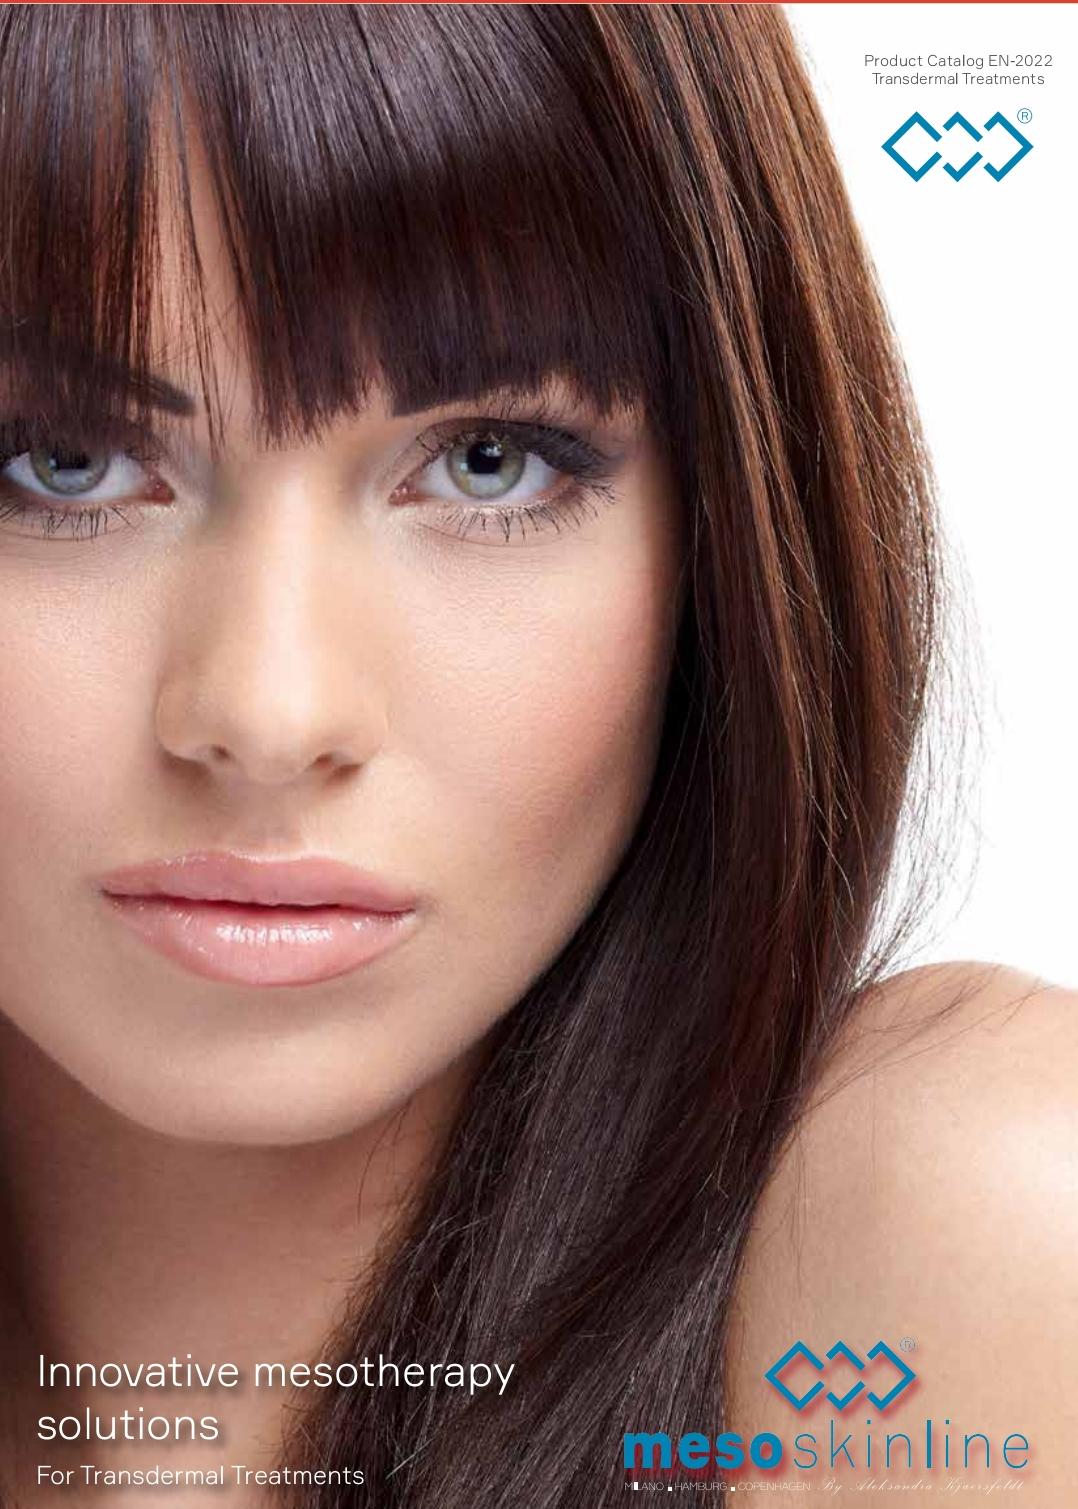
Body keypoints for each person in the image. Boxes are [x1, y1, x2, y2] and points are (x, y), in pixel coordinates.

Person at [0, 6, 1073, 1507]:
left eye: (485, 462)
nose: (271, 712)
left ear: (721, 536)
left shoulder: (968, 1227)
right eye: (62, 461)